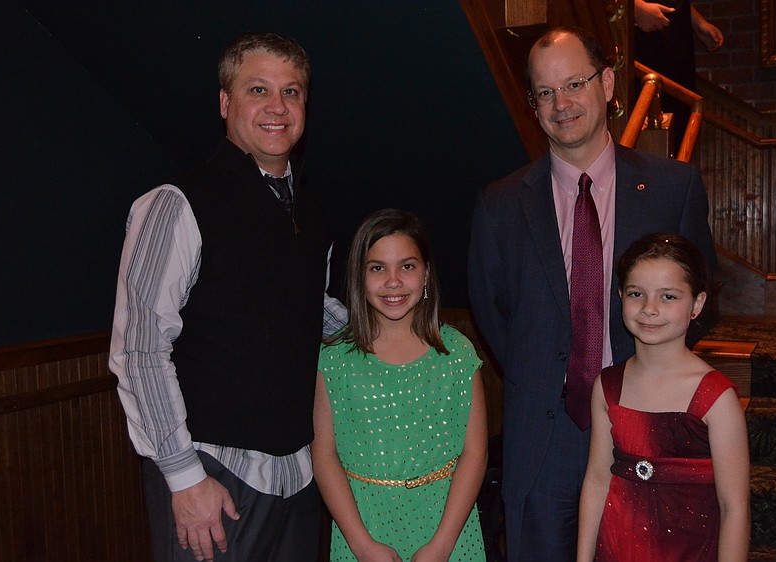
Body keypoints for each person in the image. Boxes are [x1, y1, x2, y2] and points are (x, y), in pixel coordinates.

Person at [467, 26, 718, 561]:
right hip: (544, 438)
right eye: (545, 92)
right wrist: (542, 377)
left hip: (646, 428)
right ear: (533, 105)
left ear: (606, 84)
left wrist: (654, 383)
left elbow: (702, 296)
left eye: (574, 83)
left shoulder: (673, 189)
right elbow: (492, 313)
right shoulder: (499, 205)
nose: (562, 104)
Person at [109, 32, 347, 562]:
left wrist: (402, 333)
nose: (277, 108)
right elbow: (141, 347)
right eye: (258, 90)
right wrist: (183, 476)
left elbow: (315, 312)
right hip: (212, 480)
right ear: (225, 103)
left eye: (292, 92)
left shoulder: (310, 211)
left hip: (301, 477)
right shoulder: (176, 203)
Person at [313, 208, 488, 561]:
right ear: (359, 277)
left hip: (448, 531)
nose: (393, 281)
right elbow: (325, 455)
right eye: (377, 268)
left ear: (425, 274)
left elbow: (474, 453)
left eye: (407, 266)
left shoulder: (457, 353)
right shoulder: (333, 359)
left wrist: (441, 545)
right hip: (362, 529)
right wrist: (362, 545)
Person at [577, 233, 749, 561]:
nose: (649, 309)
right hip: (617, 549)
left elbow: (734, 508)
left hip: (689, 551)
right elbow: (597, 480)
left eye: (668, 296)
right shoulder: (608, 386)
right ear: (620, 297)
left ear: (697, 304)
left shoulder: (715, 397)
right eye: (636, 294)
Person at [634, 0, 724, 153]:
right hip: (639, 42)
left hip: (675, 37)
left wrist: (696, 21)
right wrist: (634, 8)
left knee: (680, 128)